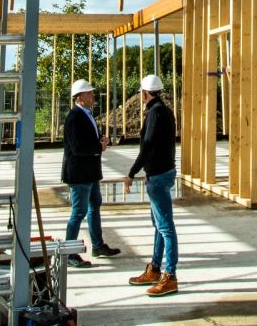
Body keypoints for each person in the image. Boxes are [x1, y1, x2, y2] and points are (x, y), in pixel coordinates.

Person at [124, 74, 178, 297]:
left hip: (158, 175)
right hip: (163, 171)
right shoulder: (166, 111)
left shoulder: (154, 114)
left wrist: (131, 173)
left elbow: (146, 147)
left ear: (145, 93)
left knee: (165, 226)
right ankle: (155, 269)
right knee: (158, 224)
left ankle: (170, 276)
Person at [62, 78, 120, 268]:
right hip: (80, 174)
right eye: (89, 93)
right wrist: (98, 146)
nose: (93, 96)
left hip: (90, 172)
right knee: (78, 212)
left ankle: (98, 245)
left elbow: (86, 142)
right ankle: (69, 252)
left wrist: (99, 141)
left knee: (94, 205)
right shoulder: (74, 117)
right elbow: (77, 147)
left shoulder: (86, 114)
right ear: (79, 98)